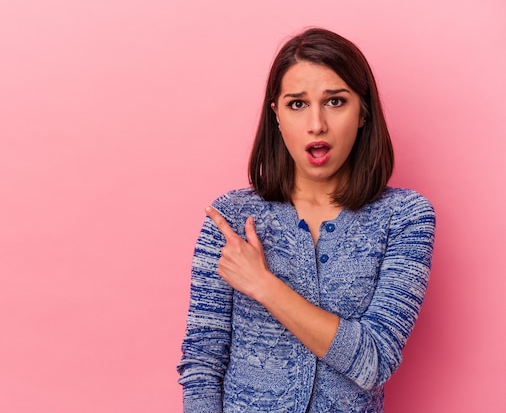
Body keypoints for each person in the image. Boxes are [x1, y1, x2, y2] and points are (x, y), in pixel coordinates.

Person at [176, 28, 436, 413]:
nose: (317, 124)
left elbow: (374, 360)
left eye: (335, 101)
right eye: (297, 104)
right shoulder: (231, 217)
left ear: (363, 112)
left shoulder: (405, 217)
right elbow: (202, 362)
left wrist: (264, 285)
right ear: (276, 115)